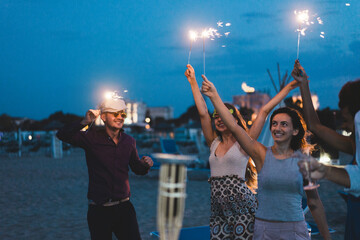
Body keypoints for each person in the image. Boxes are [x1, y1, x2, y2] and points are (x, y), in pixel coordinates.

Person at [201, 77, 331, 240]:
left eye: (284, 124)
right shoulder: (261, 154)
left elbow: (314, 203)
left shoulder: (304, 163)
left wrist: (327, 237)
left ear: (295, 131)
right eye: (274, 124)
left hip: (292, 228)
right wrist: (213, 96)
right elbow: (232, 125)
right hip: (263, 228)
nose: (277, 127)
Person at [185, 64, 302, 240]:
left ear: (233, 118)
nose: (218, 119)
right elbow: (203, 113)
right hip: (218, 208)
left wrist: (288, 87)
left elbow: (264, 111)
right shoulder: (213, 143)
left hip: (242, 208)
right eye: (215, 116)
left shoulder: (244, 142)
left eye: (223, 115)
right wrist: (193, 81)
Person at [56, 97, 153, 240]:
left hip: (124, 209)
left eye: (123, 114)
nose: (120, 117)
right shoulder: (91, 138)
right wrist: (85, 122)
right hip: (99, 211)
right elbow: (62, 134)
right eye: (115, 113)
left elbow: (137, 169)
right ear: (103, 117)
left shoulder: (129, 141)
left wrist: (145, 165)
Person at [292, 60, 360, 239]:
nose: (345, 124)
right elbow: (314, 125)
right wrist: (304, 85)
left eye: (346, 118)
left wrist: (320, 169)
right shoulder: (352, 144)